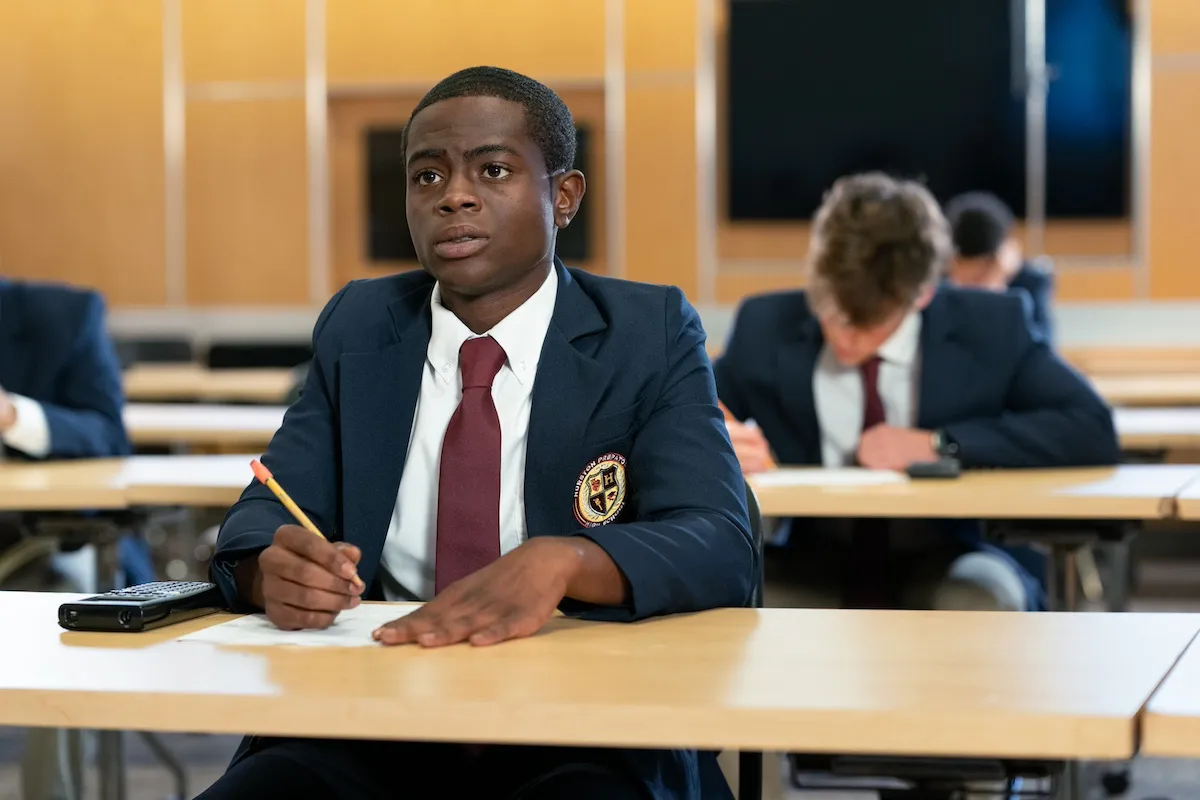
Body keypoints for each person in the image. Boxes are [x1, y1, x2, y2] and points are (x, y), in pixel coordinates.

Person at [201, 66, 754, 800]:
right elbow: (261, 516)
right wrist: (271, 569)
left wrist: (568, 560)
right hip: (370, 715)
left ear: (564, 196)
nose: (453, 195)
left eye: (492, 169)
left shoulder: (646, 332)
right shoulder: (362, 326)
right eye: (426, 176)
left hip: (581, 720)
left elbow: (719, 540)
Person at [714, 173, 1118, 614]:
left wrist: (936, 444)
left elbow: (1090, 427)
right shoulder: (766, 324)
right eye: (830, 312)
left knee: (981, 602)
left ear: (922, 293)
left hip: (947, 554)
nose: (845, 335)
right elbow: (689, 410)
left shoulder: (989, 325)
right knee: (716, 596)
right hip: (813, 554)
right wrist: (714, 440)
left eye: (869, 322)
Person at [0, 277, 147, 800]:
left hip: (40, 545)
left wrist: (13, 415)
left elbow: (109, 435)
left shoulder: (61, 316)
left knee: (71, 602)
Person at [944, 190, 1055, 342]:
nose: (974, 281)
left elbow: (1041, 349)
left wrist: (994, 288)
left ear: (999, 259)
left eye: (982, 271)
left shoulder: (1031, 282)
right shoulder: (935, 282)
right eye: (965, 266)